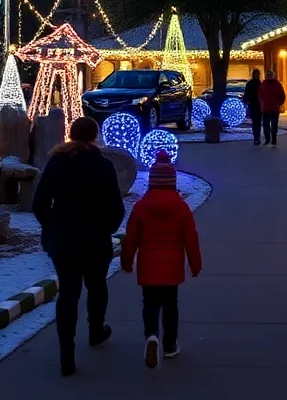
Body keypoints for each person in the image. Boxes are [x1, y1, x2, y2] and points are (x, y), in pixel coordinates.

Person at [32, 116, 126, 376]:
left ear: (71, 135)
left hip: (63, 239)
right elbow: (116, 208)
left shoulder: (56, 163)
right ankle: (96, 330)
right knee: (97, 286)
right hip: (95, 239)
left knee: (68, 293)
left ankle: (66, 350)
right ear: (94, 136)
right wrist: (106, 228)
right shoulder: (103, 166)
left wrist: (51, 228)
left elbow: (39, 203)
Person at [121, 150, 203, 368]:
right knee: (170, 305)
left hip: (148, 267)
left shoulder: (140, 207)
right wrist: (195, 265)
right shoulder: (181, 208)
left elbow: (131, 238)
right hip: (172, 269)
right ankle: (169, 344)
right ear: (172, 182)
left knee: (149, 304)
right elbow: (191, 239)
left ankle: (151, 335)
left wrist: (126, 262)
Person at [258, 69, 286, 148]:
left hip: (272, 108)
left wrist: (278, 103)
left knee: (272, 125)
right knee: (267, 125)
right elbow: (260, 95)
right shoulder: (264, 84)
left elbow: (282, 96)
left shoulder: (274, 84)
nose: (268, 76)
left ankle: (272, 139)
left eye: (270, 75)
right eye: (267, 75)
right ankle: (269, 139)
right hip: (268, 108)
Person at [244, 69, 263, 145]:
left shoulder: (258, 83)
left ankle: (257, 138)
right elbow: (247, 94)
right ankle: (256, 138)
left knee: (256, 122)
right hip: (255, 104)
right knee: (256, 122)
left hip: (257, 105)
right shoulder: (254, 83)